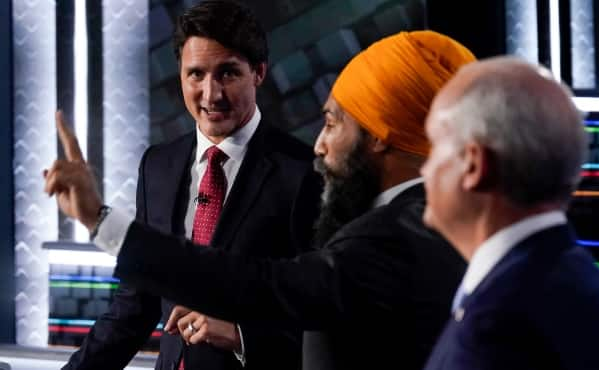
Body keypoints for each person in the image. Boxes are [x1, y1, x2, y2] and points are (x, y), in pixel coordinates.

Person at [45, 30, 475, 369]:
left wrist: (101, 220)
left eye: (332, 123)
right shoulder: (441, 222)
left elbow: (263, 286)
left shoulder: (396, 235)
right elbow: (135, 307)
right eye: (195, 73)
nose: (321, 146)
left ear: (381, 136)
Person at [60, 1, 322, 369]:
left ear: (259, 72)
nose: (211, 94)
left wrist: (241, 336)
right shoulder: (158, 165)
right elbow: (135, 306)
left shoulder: (304, 173)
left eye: (227, 74)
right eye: (196, 75)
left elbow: (324, 320)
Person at [420, 56, 599, 370]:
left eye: (435, 146)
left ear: (473, 165)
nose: (425, 169)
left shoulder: (494, 332)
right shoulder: (573, 281)